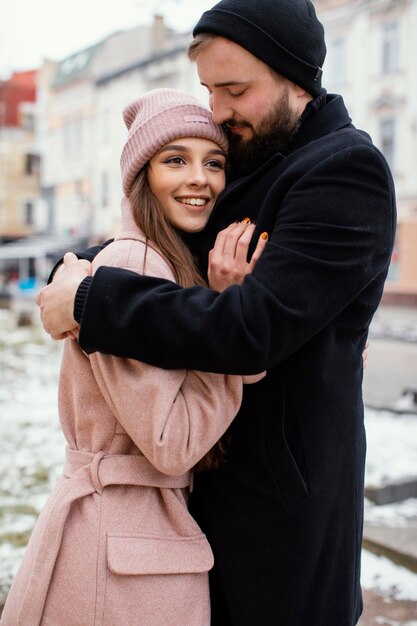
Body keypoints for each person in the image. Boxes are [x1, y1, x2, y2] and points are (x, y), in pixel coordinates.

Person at [36, 0, 397, 624]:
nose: (218, 112)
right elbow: (157, 245)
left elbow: (249, 328)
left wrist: (93, 299)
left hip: (283, 514)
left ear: (297, 79)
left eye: (234, 90)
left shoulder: (344, 173)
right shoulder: (250, 156)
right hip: (198, 499)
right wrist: (74, 272)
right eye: (209, 90)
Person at [2, 88, 266, 626]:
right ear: (140, 175)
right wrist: (232, 329)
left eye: (213, 162)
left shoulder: (161, 260)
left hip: (130, 540)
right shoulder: (134, 261)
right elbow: (173, 441)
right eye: (176, 160)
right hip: (122, 549)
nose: (200, 178)